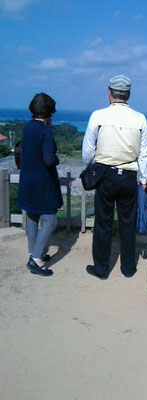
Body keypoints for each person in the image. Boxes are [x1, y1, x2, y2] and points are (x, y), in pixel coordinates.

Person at [82, 75, 147, 279]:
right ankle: (128, 268)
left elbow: (88, 149)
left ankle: (101, 270)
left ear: (110, 93)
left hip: (105, 175)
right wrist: (144, 179)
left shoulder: (98, 116)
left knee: (103, 223)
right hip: (129, 176)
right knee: (128, 224)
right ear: (128, 95)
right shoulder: (140, 118)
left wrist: (91, 171)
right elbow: (145, 153)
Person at [17, 93, 63, 277]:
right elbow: (49, 160)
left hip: (27, 181)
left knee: (32, 217)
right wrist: (57, 158)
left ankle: (35, 252)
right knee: (50, 220)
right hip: (43, 183)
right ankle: (36, 260)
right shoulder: (46, 132)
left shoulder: (28, 128)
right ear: (50, 111)